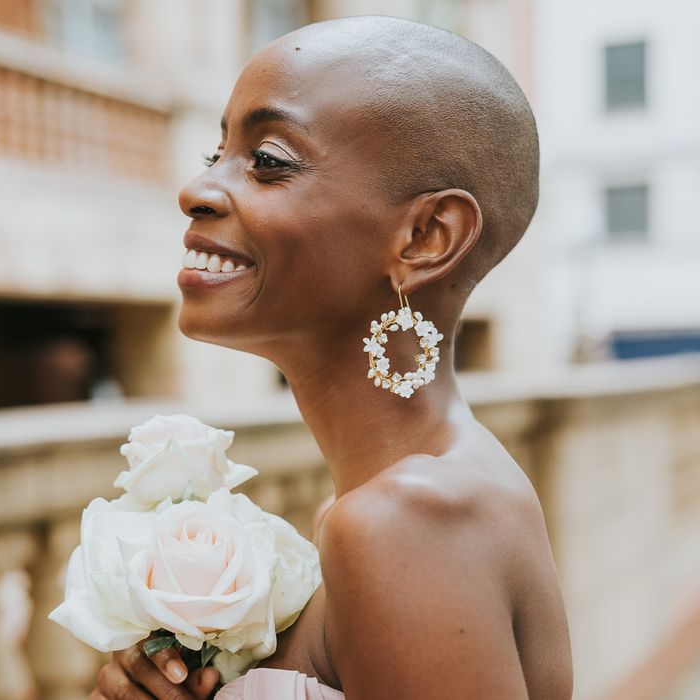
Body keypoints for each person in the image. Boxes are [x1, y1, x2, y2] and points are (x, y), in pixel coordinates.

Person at [93, 14, 573, 700]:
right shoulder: (402, 498)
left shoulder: (404, 521)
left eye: (268, 161)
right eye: (215, 154)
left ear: (426, 237)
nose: (194, 191)